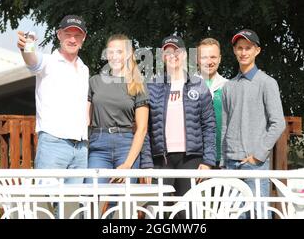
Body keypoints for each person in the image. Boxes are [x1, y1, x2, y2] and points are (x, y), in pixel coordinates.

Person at [141, 35, 216, 218]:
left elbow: (209, 126)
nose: (173, 55)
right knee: (157, 212)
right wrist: (147, 164)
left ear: (184, 55)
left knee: (187, 213)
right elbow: (145, 129)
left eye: (177, 51)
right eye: (168, 52)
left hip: (190, 158)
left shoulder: (198, 85)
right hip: (161, 159)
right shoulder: (151, 85)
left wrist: (207, 161)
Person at [17, 15, 89, 184]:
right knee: (47, 203)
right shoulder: (48, 61)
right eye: (68, 34)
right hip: (53, 142)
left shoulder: (84, 69)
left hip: (80, 146)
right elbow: (32, 60)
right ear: (59, 35)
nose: (72, 39)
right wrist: (26, 47)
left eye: (77, 35)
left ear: (83, 38)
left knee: (73, 208)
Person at [222, 29, 286, 218]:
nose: (243, 52)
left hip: (255, 164)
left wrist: (258, 155)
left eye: (248, 48)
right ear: (234, 51)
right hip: (230, 163)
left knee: (259, 214)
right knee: (233, 215)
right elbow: (225, 125)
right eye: (239, 48)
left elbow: (278, 123)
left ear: (257, 51)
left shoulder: (268, 83)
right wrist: (223, 159)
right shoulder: (228, 86)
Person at [87, 34, 149, 184]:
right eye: (111, 52)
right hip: (98, 146)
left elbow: (142, 129)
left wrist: (128, 164)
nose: (114, 56)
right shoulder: (95, 81)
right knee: (91, 196)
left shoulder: (138, 84)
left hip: (126, 146)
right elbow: (85, 120)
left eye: (119, 52)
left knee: (122, 202)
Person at [197, 38, 228, 167]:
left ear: (220, 59)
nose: (209, 62)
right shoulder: (186, 86)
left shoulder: (228, 86)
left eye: (213, 57)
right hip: (195, 158)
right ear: (197, 60)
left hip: (222, 158)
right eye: (204, 57)